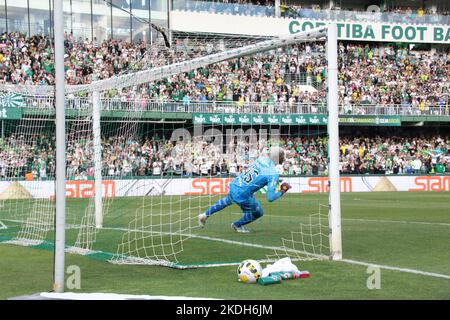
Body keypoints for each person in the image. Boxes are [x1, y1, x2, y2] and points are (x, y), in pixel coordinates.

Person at [198, 146, 292, 233]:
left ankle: (205, 215)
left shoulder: (261, 159)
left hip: (236, 184)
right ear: (278, 157)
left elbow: (259, 174)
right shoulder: (273, 173)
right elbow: (270, 198)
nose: (284, 158)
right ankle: (237, 225)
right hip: (243, 193)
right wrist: (282, 191)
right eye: (283, 156)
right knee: (258, 213)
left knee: (228, 200)